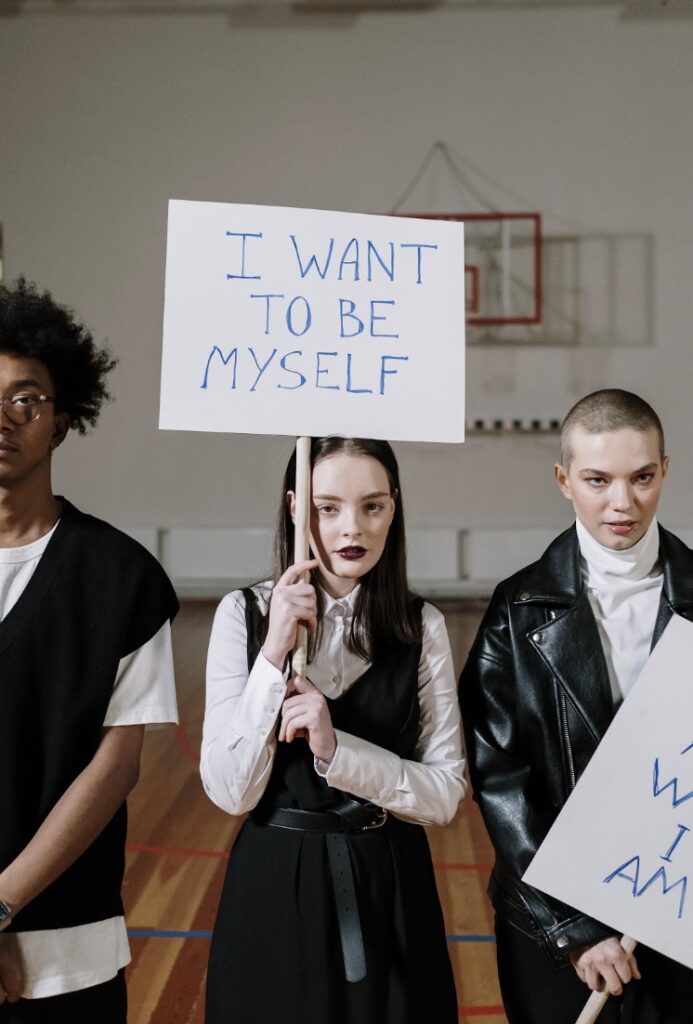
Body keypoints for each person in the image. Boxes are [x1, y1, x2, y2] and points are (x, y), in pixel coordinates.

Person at [201, 436, 465, 1024]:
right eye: (328, 508)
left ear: (393, 508)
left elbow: (445, 795)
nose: (353, 528)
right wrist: (271, 657)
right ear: (296, 508)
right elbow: (229, 792)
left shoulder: (423, 628)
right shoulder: (241, 615)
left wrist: (336, 749)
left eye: (372, 506)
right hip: (274, 884)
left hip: (391, 884)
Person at [459, 389, 693, 1024]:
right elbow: (501, 780)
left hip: (679, 921)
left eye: (642, 477)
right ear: (564, 480)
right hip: (551, 926)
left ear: (665, 471)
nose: (623, 502)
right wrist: (576, 926)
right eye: (598, 480)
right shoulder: (516, 611)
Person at [0, 279, 179, 1023]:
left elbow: (116, 766)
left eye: (26, 399)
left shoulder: (122, 578)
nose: (2, 418)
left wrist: (1, 905)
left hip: (66, 949)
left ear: (64, 420)